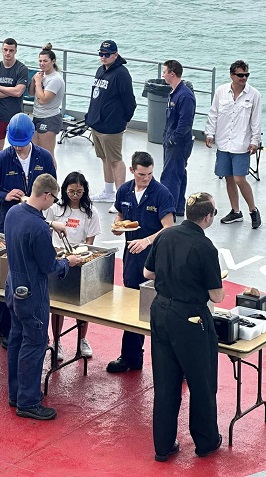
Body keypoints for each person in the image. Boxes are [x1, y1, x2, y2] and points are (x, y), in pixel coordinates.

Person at [144, 192, 224, 462]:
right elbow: (217, 296)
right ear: (208, 216)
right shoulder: (206, 248)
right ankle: (206, 441)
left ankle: (163, 446)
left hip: (161, 312)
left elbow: (148, 273)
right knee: (201, 381)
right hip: (190, 318)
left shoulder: (165, 235)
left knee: (165, 383)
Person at [5, 173, 82, 420]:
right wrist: (68, 262)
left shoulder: (13, 212)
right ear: (47, 195)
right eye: (54, 199)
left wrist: (51, 224)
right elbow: (50, 266)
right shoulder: (38, 228)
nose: (53, 204)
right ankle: (28, 401)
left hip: (13, 287)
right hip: (32, 293)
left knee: (16, 339)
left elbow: (30, 221)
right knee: (35, 343)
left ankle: (16, 393)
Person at [0, 112, 56, 347]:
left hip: (36, 225)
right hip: (8, 225)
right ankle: (5, 328)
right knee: (8, 276)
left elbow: (52, 187)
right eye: (16, 145)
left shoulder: (44, 157)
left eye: (23, 145)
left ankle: (33, 324)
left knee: (36, 273)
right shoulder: (2, 159)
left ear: (32, 138)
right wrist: (5, 195)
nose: (19, 150)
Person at [107, 151, 175, 373]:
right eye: (142, 174)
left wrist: (146, 241)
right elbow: (119, 214)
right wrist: (118, 226)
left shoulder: (161, 193)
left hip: (156, 259)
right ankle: (131, 357)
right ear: (132, 171)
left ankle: (175, 364)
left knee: (161, 310)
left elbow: (169, 227)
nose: (146, 178)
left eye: (149, 174)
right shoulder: (125, 190)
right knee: (131, 306)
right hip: (132, 258)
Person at [46, 171, 101, 361]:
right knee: (58, 303)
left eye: (79, 191)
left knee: (81, 302)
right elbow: (47, 230)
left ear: (84, 191)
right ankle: (57, 341)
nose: (75, 195)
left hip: (80, 259)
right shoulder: (55, 209)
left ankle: (82, 339)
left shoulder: (91, 213)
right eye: (71, 191)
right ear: (64, 190)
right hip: (59, 258)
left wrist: (80, 255)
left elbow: (90, 243)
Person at [205, 60, 262, 229]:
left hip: (241, 144)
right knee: (229, 178)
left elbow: (256, 121)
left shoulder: (254, 95)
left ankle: (253, 210)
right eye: (240, 75)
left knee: (239, 179)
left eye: (246, 75)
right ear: (232, 75)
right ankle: (236, 211)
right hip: (223, 143)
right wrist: (210, 133)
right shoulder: (221, 91)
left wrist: (254, 141)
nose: (244, 78)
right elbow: (213, 113)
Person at [86, 40, 136, 208]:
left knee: (115, 159)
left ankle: (120, 197)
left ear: (115, 55)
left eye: (107, 54)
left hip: (112, 126)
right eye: (101, 54)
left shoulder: (122, 74)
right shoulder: (100, 70)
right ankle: (108, 191)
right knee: (104, 158)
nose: (103, 57)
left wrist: (124, 119)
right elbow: (95, 96)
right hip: (97, 124)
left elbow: (129, 100)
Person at [159, 60, 196, 217]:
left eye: (164, 72)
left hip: (178, 144)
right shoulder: (174, 92)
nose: (163, 75)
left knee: (171, 176)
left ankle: (168, 211)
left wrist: (173, 139)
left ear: (171, 74)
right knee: (178, 173)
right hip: (171, 141)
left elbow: (185, 123)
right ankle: (178, 207)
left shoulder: (184, 95)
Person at [0, 38, 29, 154]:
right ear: (1, 50)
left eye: (11, 50)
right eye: (5, 50)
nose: (8, 53)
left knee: (19, 148)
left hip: (15, 116)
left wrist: (0, 88)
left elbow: (18, 92)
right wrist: (11, 91)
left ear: (15, 51)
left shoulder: (22, 69)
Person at [28, 43, 65, 167]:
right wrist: (34, 81)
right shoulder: (42, 76)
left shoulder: (55, 79)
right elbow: (32, 93)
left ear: (53, 61)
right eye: (40, 61)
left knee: (47, 154)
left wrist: (38, 82)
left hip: (49, 117)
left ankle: (52, 181)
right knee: (35, 150)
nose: (42, 64)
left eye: (45, 61)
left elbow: (43, 99)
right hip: (37, 115)